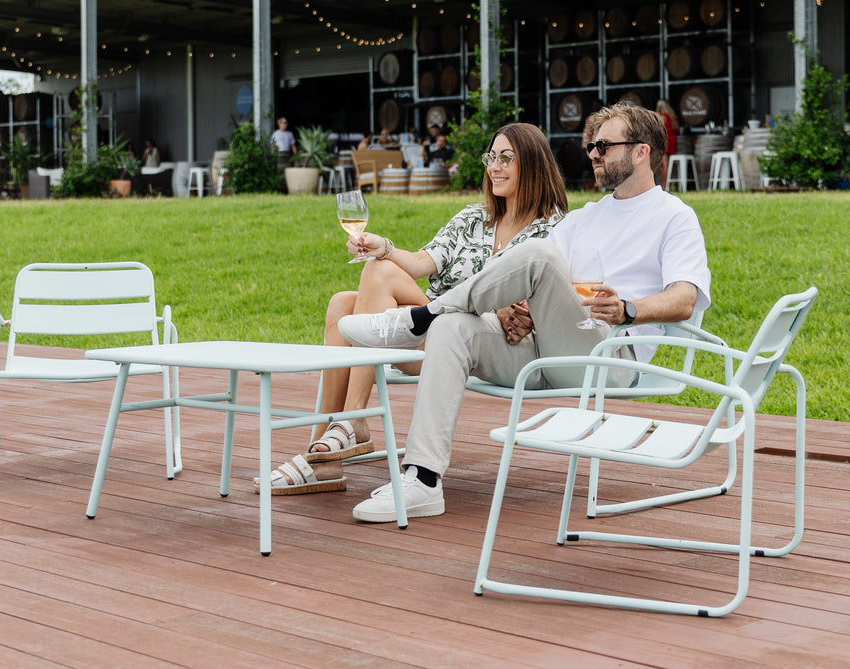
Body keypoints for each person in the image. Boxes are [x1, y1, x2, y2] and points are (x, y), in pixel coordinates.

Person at [338, 102, 710, 521]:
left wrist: (626, 309)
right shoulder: (586, 218)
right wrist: (520, 309)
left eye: (604, 146)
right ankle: (422, 480)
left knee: (537, 252)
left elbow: (684, 298)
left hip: (608, 355)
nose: (593, 154)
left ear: (641, 151)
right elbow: (541, 284)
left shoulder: (675, 217)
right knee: (455, 329)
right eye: (592, 146)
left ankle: (421, 318)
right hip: (541, 347)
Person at [266, 121, 568, 495]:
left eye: (508, 158)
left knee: (361, 293)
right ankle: (333, 440)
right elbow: (424, 261)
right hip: (426, 325)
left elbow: (558, 304)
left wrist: (522, 314)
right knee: (343, 302)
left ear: (535, 164)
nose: (495, 166)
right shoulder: (474, 218)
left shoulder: (553, 231)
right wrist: (385, 247)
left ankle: (344, 432)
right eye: (492, 157)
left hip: (476, 338)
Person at [656, 98, 678, 184]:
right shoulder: (671, 116)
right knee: (665, 164)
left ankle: (664, 185)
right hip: (672, 140)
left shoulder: (662, 117)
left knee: (663, 165)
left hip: (665, 141)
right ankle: (665, 184)